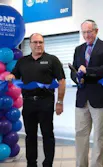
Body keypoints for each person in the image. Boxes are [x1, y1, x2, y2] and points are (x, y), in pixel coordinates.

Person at [5, 33, 66, 167]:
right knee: (30, 135)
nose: (38, 45)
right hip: (28, 103)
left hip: (46, 102)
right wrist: (10, 76)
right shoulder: (23, 61)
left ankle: (48, 163)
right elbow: (15, 74)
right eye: (35, 42)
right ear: (30, 44)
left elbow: (62, 81)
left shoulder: (52, 60)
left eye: (41, 42)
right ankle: (31, 163)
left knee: (47, 135)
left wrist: (60, 102)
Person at [70, 20, 103, 167]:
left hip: (100, 98)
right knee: (80, 135)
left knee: (98, 137)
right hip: (82, 98)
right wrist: (77, 79)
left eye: (89, 31)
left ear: (96, 31)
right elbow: (74, 71)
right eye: (83, 32)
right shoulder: (78, 49)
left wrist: (88, 71)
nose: (86, 35)